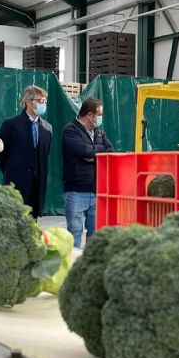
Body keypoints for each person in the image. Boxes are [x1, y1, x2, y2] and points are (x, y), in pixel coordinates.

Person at [61, 98, 114, 248]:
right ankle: (73, 265)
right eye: (100, 114)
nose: (101, 118)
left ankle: (90, 265)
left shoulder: (99, 132)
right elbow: (83, 150)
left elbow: (110, 150)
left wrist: (93, 156)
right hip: (76, 191)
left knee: (96, 231)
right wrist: (97, 152)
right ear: (90, 115)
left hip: (97, 190)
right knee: (75, 231)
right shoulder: (70, 130)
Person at [0, 85, 53, 219]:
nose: (43, 104)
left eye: (44, 101)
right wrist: (12, 170)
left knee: (32, 225)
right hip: (16, 183)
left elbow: (45, 154)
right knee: (13, 221)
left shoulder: (47, 128)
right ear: (28, 102)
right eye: (39, 101)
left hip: (37, 185)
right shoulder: (11, 124)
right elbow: (1, 154)